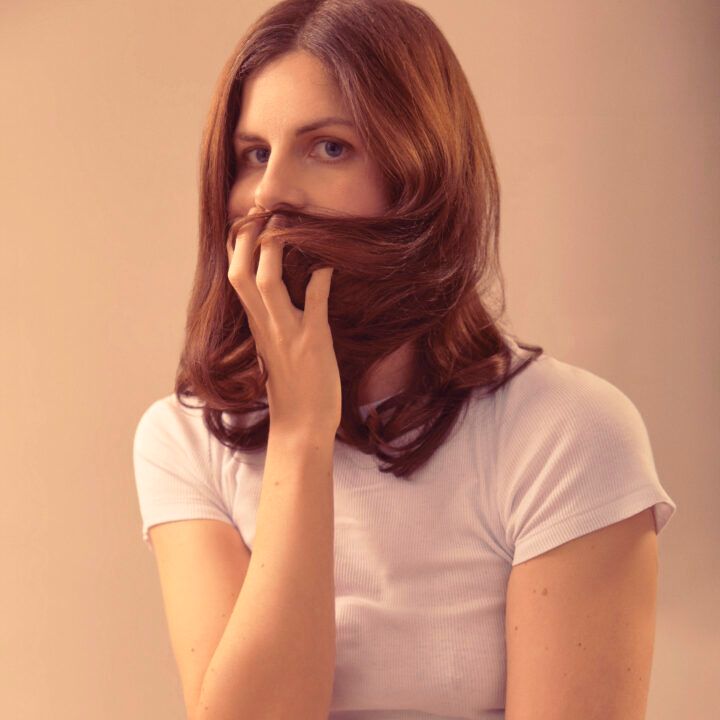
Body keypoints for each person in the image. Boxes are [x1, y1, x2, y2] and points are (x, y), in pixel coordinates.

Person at [132, 1, 677, 718]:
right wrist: (301, 434)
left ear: (420, 172)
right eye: (254, 154)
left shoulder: (568, 433)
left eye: (329, 147)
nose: (271, 193)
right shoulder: (185, 440)